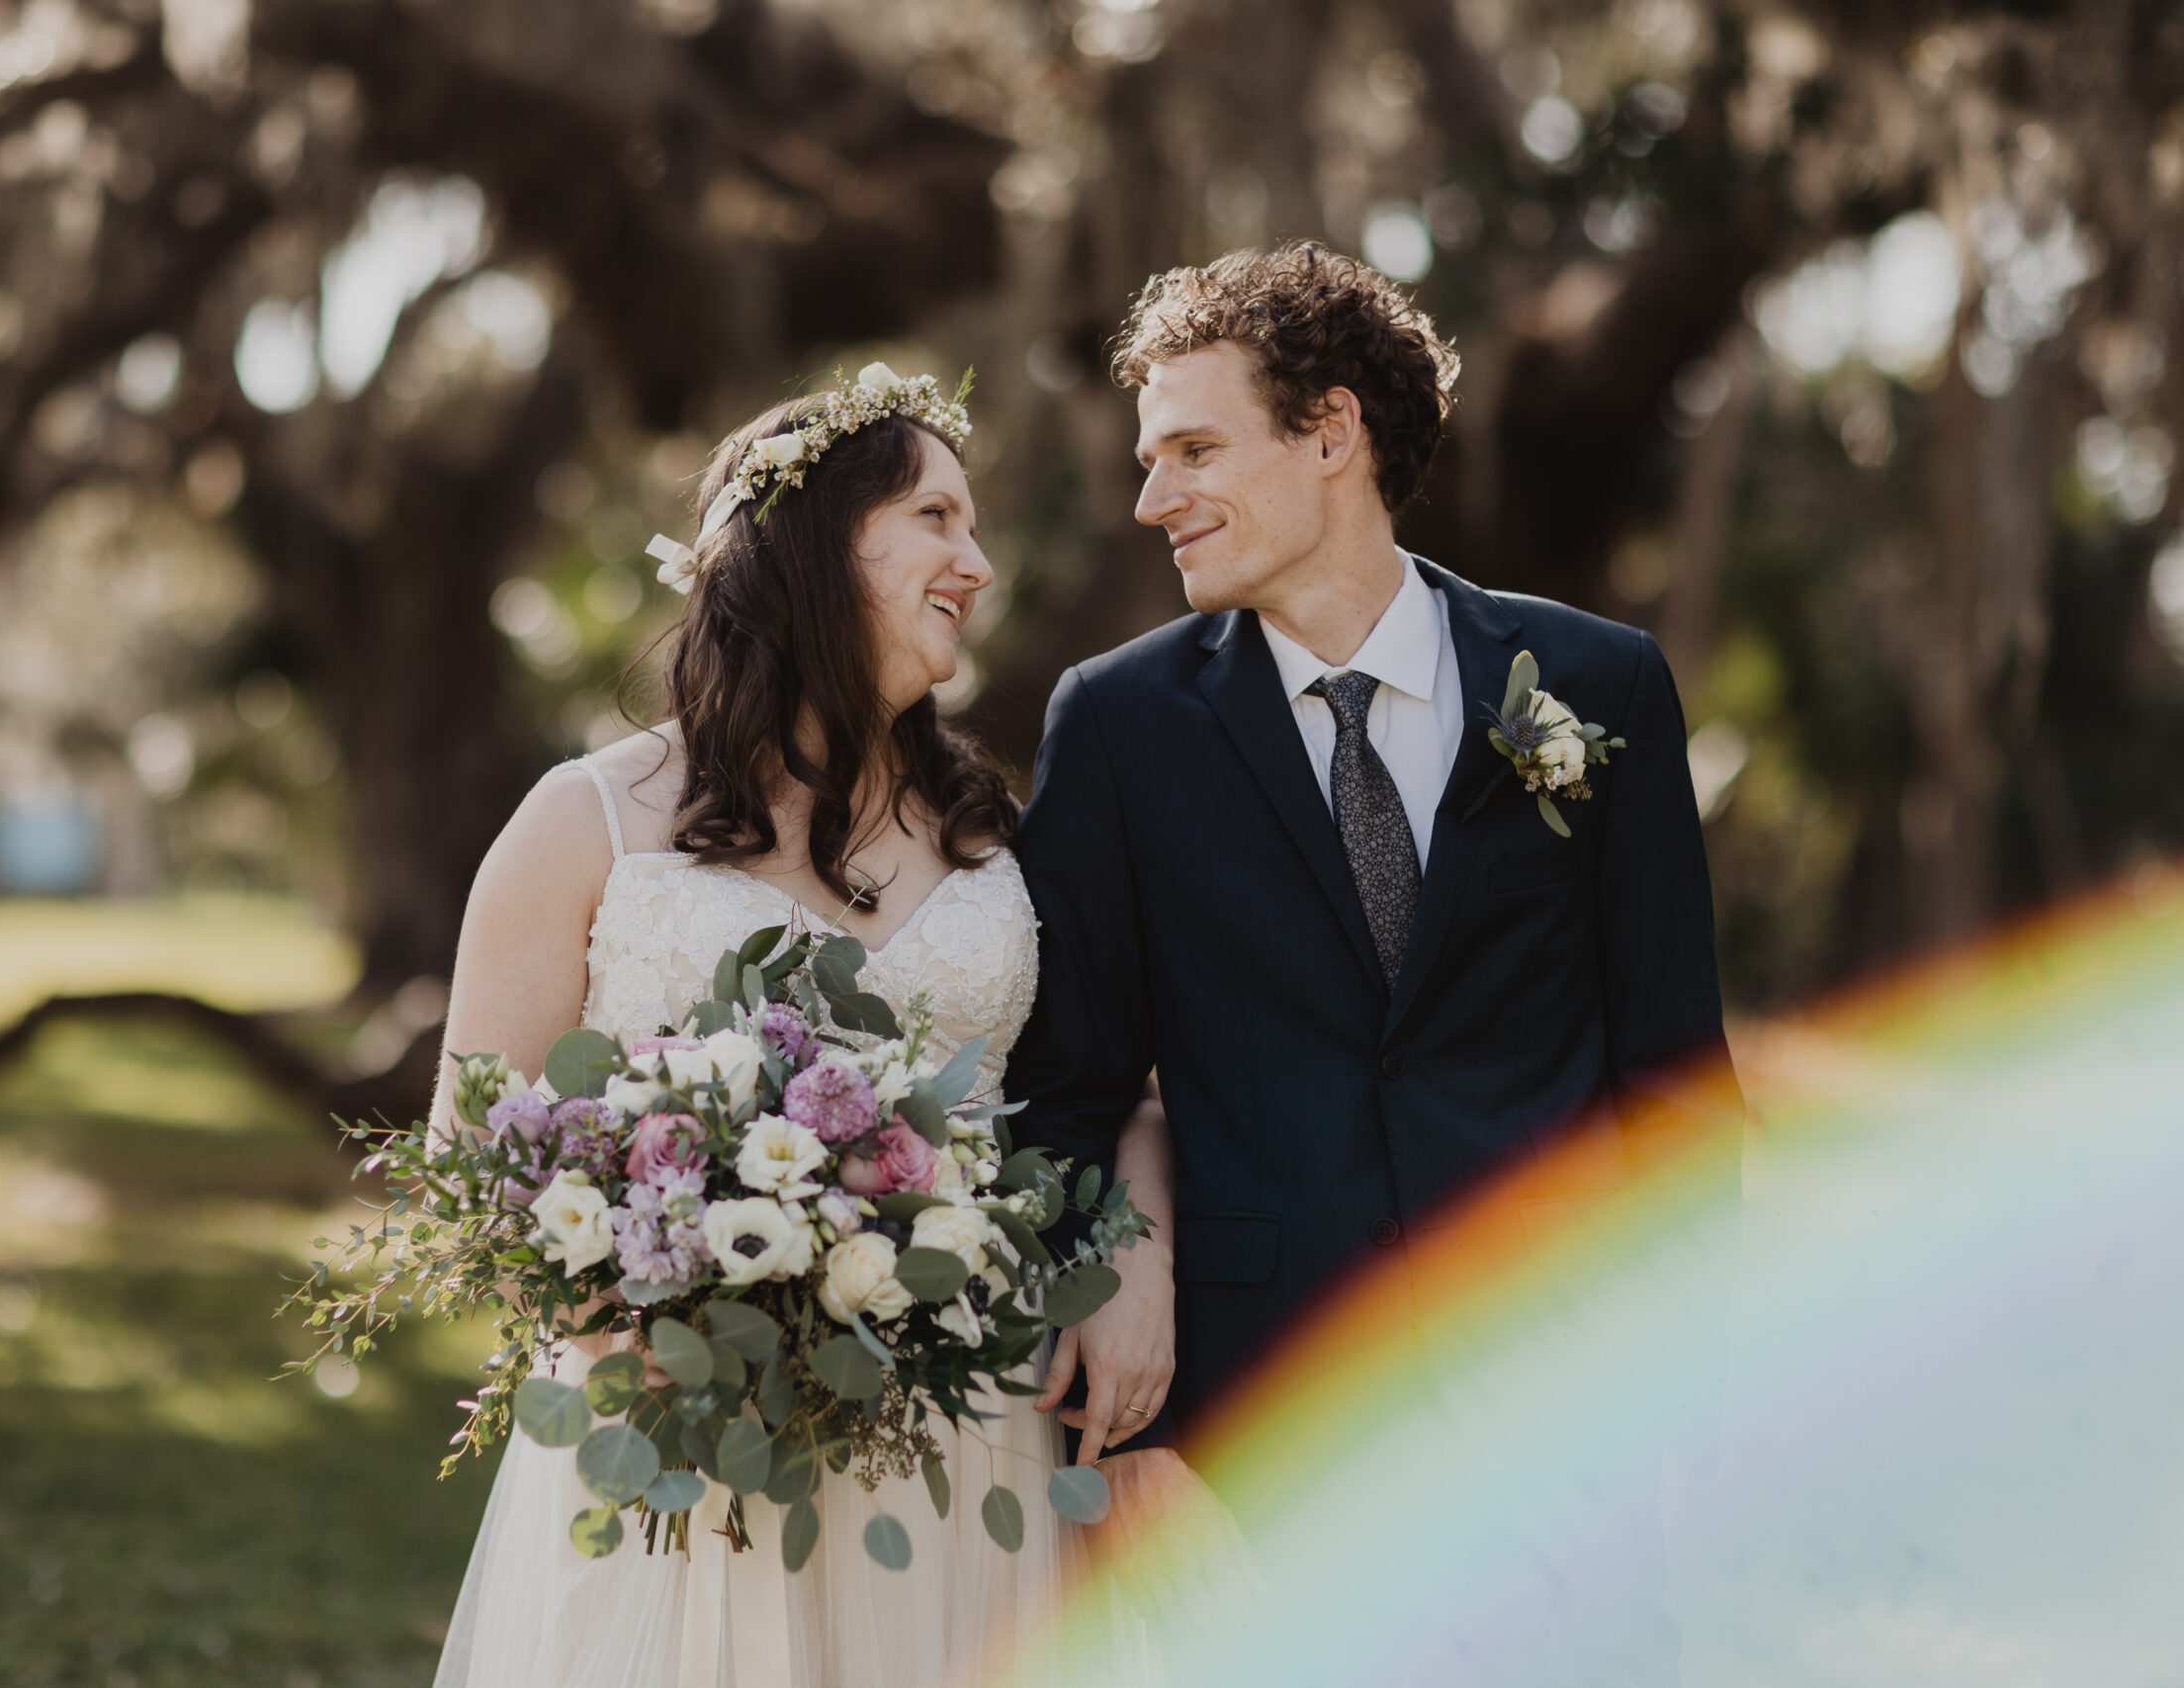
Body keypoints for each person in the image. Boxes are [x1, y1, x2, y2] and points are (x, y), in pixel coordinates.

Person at [1006, 241, 1739, 1677]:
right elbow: (1063, 1091)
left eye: (1196, 448)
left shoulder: (1598, 687)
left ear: (1332, 432)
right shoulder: (1117, 727)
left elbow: (1675, 1083)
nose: (1154, 498)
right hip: (1253, 1427)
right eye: (1152, 458)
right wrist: (1140, 1427)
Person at [425, 366, 1169, 1688]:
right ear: (821, 541)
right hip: (684, 1441)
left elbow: (1122, 1089)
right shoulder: (584, 819)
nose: (978, 561)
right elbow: (472, 1162)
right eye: (937, 515)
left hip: (957, 1436)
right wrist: (649, 1322)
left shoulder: (1002, 841)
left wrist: (1134, 1272)